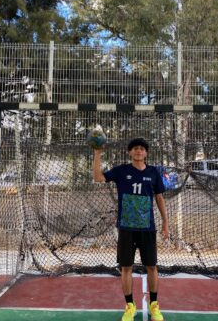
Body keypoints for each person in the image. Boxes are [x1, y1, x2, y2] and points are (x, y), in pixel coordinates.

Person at [93, 137, 169, 321]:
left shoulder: (153, 173)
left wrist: (166, 223)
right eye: (135, 148)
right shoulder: (122, 171)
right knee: (126, 267)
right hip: (126, 229)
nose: (138, 151)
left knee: (151, 266)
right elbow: (98, 177)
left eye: (142, 149)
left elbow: (159, 198)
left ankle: (154, 305)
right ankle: (130, 306)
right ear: (130, 152)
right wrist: (97, 153)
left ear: (146, 153)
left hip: (147, 228)